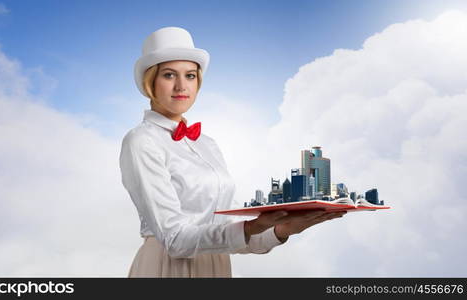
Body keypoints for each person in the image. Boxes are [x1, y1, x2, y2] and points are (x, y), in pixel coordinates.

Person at [119, 26, 346, 278]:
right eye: (170, 75)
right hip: (167, 267)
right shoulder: (142, 140)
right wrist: (250, 227)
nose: (181, 86)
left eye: (190, 76)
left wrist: (282, 229)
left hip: (217, 265)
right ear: (150, 82)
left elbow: (232, 230)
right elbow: (174, 240)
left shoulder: (207, 144)